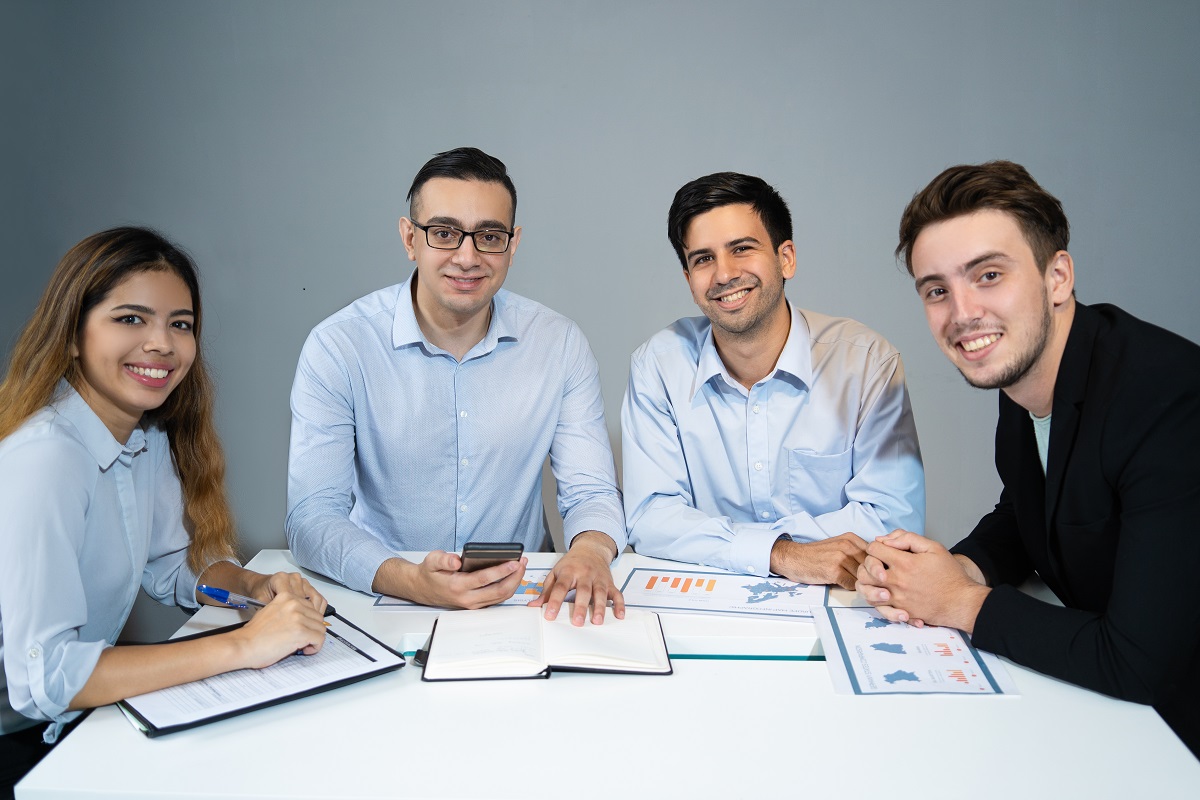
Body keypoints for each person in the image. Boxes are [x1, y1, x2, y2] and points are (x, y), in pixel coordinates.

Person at [856, 160, 1200, 757]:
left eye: (988, 275)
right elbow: (1027, 510)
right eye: (936, 289)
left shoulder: (1170, 401)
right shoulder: (1026, 377)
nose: (962, 312)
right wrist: (952, 569)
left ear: (1057, 275)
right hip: (1127, 725)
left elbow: (1141, 662)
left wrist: (959, 602)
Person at [0, 227, 329, 797]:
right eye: (131, 319)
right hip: (23, 747)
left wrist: (255, 586)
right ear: (73, 335)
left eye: (180, 324)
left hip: (71, 726)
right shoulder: (47, 457)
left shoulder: (142, 438)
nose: (161, 343)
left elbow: (172, 564)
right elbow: (46, 678)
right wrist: (242, 647)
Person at [287, 147, 626, 625]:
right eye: (444, 233)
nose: (467, 257)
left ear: (513, 243)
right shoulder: (339, 346)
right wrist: (409, 580)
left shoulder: (558, 343)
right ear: (410, 238)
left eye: (489, 236)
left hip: (524, 600)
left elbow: (590, 489)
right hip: (384, 597)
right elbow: (312, 517)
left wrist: (590, 551)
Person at [621, 172, 925, 589]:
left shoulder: (866, 362)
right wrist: (781, 554)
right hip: (710, 605)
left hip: (840, 600)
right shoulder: (658, 365)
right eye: (703, 259)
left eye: (741, 249)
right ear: (689, 279)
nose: (724, 274)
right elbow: (651, 519)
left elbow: (893, 518)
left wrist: (720, 542)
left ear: (786, 258)